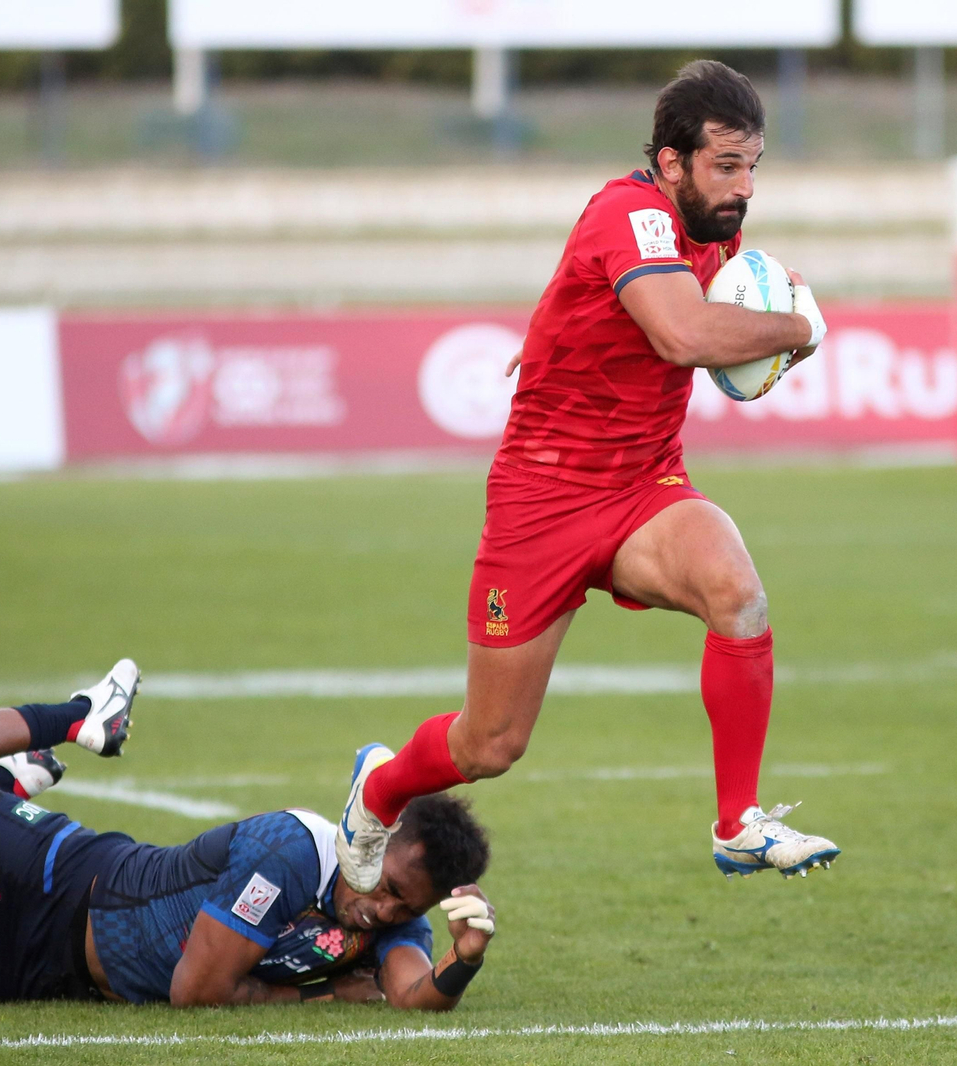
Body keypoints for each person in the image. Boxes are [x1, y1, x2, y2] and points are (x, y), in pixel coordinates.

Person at [336, 60, 840, 894]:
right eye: (727, 165)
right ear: (671, 162)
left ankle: (739, 825)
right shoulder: (629, 211)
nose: (744, 186)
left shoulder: (715, 230)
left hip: (644, 483)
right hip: (542, 500)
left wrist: (549, 337)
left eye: (754, 166)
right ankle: (379, 786)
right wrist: (801, 326)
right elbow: (681, 334)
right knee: (491, 745)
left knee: (738, 593)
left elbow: (606, 297)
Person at [0, 659, 497, 1009]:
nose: (385, 909)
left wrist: (463, 958)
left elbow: (413, 995)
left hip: (58, 973)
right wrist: (320, 993)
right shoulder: (291, 850)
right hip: (64, 875)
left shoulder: (391, 922)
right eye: (390, 889)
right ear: (374, 838)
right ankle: (75, 716)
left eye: (407, 908)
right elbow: (197, 991)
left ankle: (5, 791)